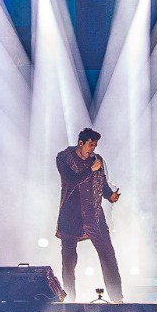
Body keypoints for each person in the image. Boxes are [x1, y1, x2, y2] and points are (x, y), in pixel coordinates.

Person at [55, 128, 123, 303]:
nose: (93, 148)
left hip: (93, 213)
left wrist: (110, 196)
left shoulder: (97, 161)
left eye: (95, 145)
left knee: (107, 252)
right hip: (71, 214)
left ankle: (117, 298)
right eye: (90, 145)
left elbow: (101, 182)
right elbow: (71, 179)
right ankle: (70, 299)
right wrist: (90, 171)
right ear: (81, 143)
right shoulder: (64, 157)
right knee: (69, 258)